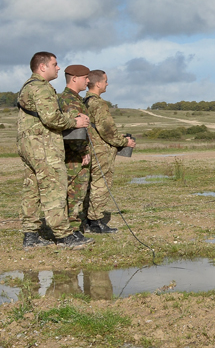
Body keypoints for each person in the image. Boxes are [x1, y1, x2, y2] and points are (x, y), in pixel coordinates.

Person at [17, 52, 94, 249]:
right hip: (43, 146)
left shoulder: (28, 86)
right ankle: (63, 235)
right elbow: (51, 119)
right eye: (55, 64)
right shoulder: (41, 88)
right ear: (42, 67)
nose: (58, 68)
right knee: (54, 189)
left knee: (32, 189)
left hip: (29, 146)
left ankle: (31, 235)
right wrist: (74, 121)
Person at [85, 69, 134, 234]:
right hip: (101, 151)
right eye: (105, 81)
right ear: (98, 83)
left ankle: (87, 219)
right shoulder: (98, 103)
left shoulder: (84, 101)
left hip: (90, 148)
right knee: (101, 185)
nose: (107, 84)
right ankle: (96, 221)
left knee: (90, 184)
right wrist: (124, 142)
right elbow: (107, 130)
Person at [58, 65, 92, 233]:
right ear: (74, 78)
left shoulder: (75, 99)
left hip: (75, 155)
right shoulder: (70, 101)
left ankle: (76, 226)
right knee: (74, 193)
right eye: (85, 77)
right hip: (74, 158)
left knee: (75, 193)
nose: (88, 81)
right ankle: (72, 229)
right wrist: (83, 151)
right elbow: (75, 132)